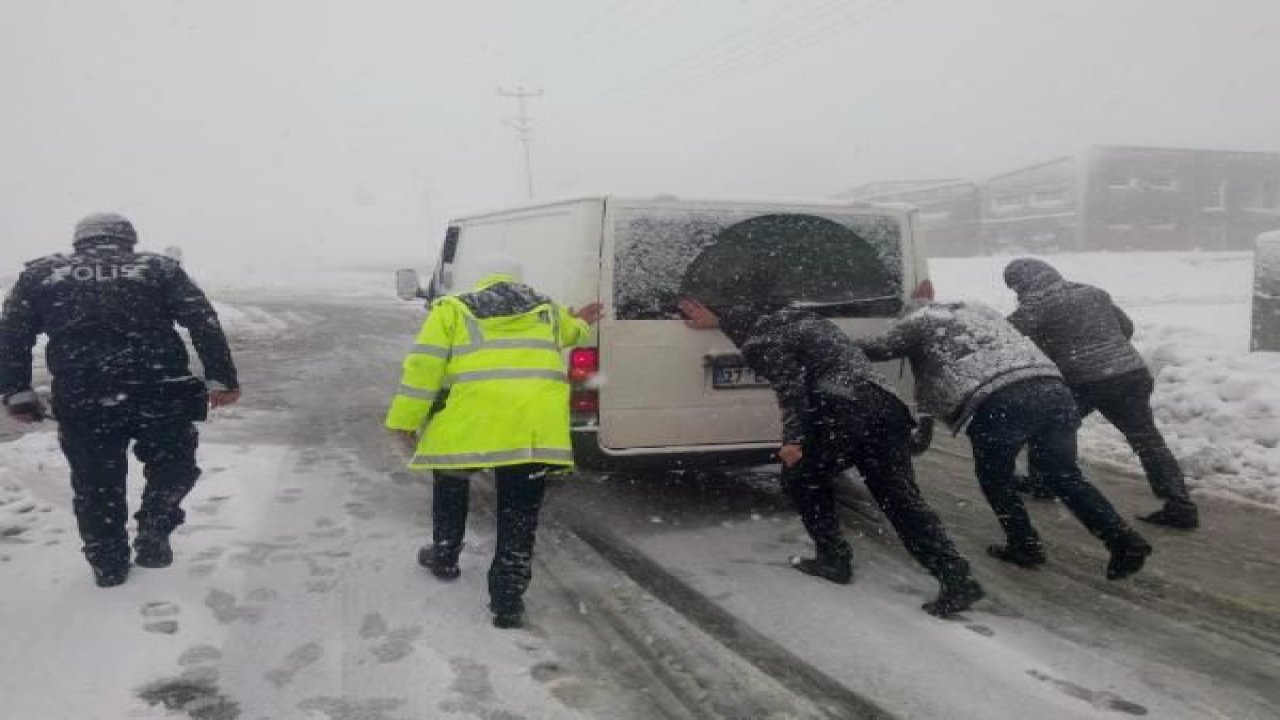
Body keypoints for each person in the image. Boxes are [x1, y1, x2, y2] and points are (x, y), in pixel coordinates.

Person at [677, 295, 984, 617]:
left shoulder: (758, 343)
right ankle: (955, 575)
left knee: (801, 477)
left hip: (845, 411)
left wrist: (794, 440)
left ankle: (833, 560)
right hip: (886, 407)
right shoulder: (811, 322)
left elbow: (792, 388)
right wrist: (721, 318)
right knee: (900, 498)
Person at [0, 213, 241, 587]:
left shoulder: (42, 275)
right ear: (128, 239)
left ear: (80, 241)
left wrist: (17, 391)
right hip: (161, 389)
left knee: (96, 485)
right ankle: (156, 522)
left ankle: (108, 565)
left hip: (84, 398)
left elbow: (12, 337)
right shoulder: (158, 269)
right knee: (173, 464)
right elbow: (203, 322)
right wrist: (222, 379)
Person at [859, 301, 1152, 580]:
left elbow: (882, 349)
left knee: (995, 478)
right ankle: (1124, 540)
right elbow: (930, 387)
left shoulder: (918, 322)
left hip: (1001, 401)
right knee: (1064, 475)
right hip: (1054, 389)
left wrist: (838, 342)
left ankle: (1024, 544)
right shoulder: (980, 312)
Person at [385, 255, 603, 629]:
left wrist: (406, 419)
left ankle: (445, 554)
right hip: (533, 429)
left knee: (452, 483)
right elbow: (573, 333)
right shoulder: (545, 310)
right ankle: (508, 601)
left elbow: (424, 367)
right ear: (518, 282)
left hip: (472, 422)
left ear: (479, 282)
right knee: (519, 514)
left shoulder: (451, 309)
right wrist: (581, 319)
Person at [1004, 258, 1198, 529]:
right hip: (1131, 375)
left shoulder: (1035, 307)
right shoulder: (1092, 292)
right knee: (1146, 438)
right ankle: (1180, 504)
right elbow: (1126, 328)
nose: (1016, 293)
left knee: (1046, 428)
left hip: (1085, 380)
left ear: (1021, 284)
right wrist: (1104, 349)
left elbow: (1007, 339)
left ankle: (1044, 483)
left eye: (1015, 287)